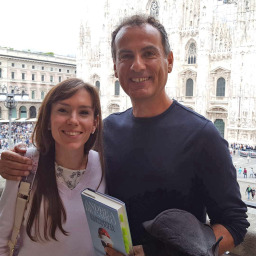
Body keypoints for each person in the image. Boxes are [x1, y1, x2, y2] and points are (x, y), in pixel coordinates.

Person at [0, 15, 249, 256]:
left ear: (170, 61)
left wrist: (163, 253)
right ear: (116, 68)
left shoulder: (202, 135)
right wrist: (15, 161)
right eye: (126, 56)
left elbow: (235, 224)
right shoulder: (107, 129)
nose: (137, 65)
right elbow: (61, 156)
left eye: (149, 53)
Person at [0, 78, 106, 256]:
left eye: (84, 112)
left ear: (94, 123)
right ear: (48, 120)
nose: (73, 120)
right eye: (63, 110)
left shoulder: (104, 165)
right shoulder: (24, 164)